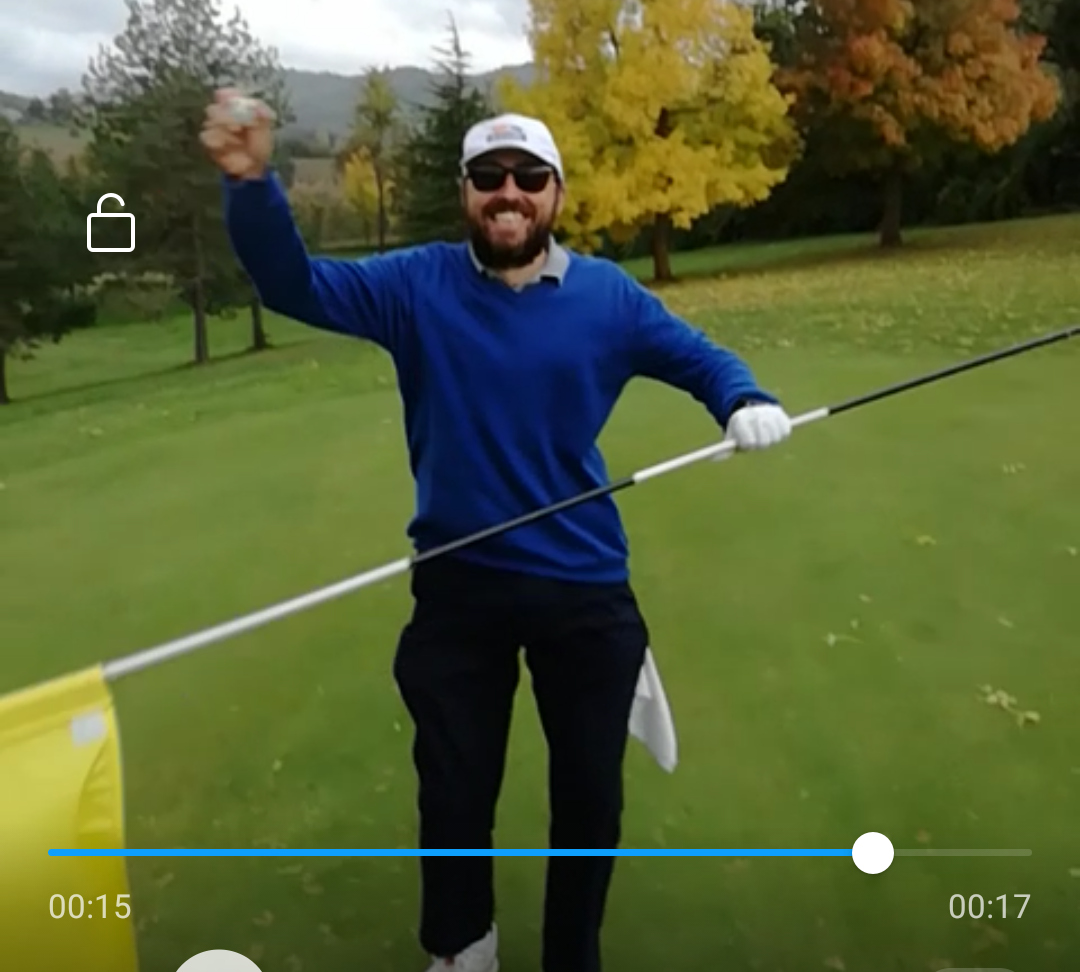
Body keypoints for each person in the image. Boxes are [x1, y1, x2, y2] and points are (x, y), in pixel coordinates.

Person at [200, 91, 792, 972]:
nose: (507, 191)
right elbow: (295, 285)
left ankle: (571, 957)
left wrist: (742, 398)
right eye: (488, 175)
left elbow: (700, 357)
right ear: (465, 191)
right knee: (453, 790)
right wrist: (251, 186)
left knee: (589, 800)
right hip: (458, 583)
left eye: (528, 176)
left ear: (556, 192)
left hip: (584, 582)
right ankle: (462, 946)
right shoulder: (415, 286)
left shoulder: (607, 296)